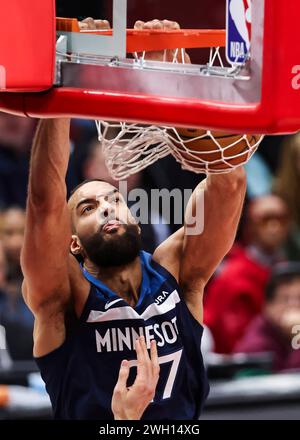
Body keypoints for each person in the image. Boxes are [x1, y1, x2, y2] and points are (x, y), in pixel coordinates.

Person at [20, 20, 246, 420]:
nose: (107, 207)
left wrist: (171, 75)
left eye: (114, 200)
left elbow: (227, 186)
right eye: (88, 208)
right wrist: (69, 75)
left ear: (137, 222)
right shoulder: (65, 301)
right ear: (73, 243)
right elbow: (44, 202)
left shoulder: (176, 271)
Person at [204, 194, 291, 354]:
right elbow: (234, 342)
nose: (274, 227)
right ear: (250, 225)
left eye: (281, 219)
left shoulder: (286, 271)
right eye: (265, 219)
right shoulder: (233, 274)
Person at [234, 262, 300, 372]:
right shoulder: (257, 347)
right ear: (267, 306)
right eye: (284, 299)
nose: (294, 306)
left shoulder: (286, 338)